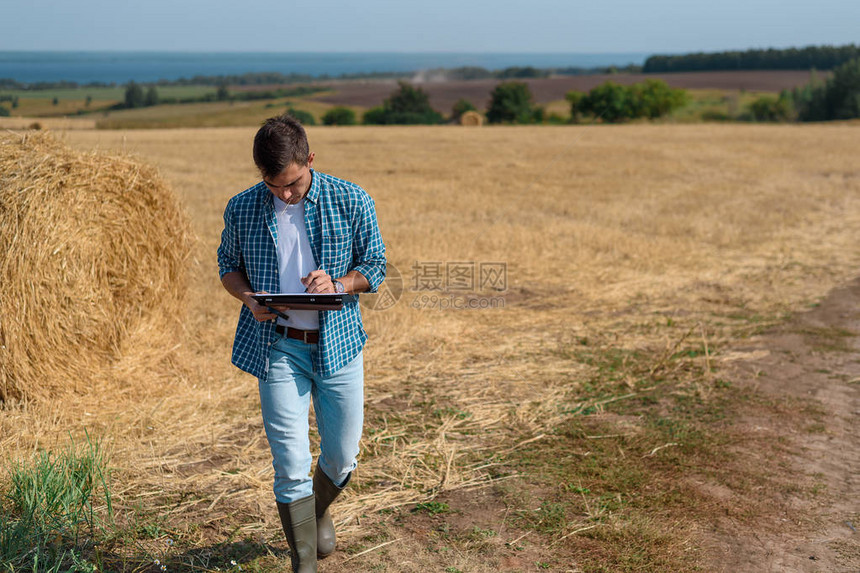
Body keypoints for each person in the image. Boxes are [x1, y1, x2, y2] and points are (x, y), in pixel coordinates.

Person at [217, 114, 386, 572]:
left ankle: (317, 511)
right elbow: (227, 266)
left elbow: (376, 266)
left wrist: (340, 284)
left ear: (309, 159)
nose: (284, 194)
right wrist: (248, 297)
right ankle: (303, 563)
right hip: (277, 347)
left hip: (339, 345)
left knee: (343, 455)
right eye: (274, 186)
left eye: (291, 183)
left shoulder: (352, 199)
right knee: (290, 463)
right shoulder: (241, 208)